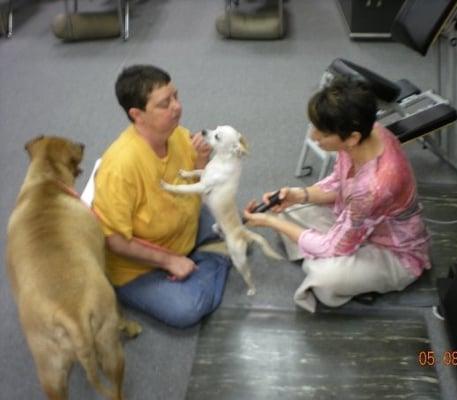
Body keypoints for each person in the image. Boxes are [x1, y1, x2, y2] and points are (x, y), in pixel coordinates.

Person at [243, 77, 431, 313]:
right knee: (284, 206)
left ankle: (343, 271)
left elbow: (333, 246)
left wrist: (268, 222)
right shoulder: (369, 131)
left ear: (351, 137)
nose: (313, 138)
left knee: (322, 278)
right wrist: (297, 194)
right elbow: (338, 183)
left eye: (321, 133)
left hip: (395, 253)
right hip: (357, 219)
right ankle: (331, 258)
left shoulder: (375, 187)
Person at [92, 65, 231, 328]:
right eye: (164, 104)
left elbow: (195, 183)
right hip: (138, 267)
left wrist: (202, 160)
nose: (176, 107)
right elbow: (115, 242)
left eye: (176, 96)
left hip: (181, 227)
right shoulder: (120, 167)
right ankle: (215, 256)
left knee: (231, 213)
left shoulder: (176, 133)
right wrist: (170, 260)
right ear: (137, 115)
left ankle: (207, 256)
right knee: (187, 310)